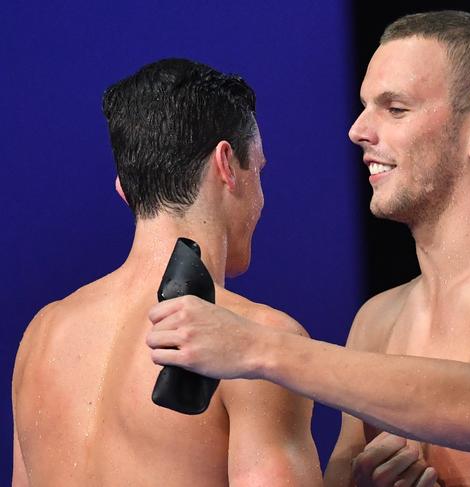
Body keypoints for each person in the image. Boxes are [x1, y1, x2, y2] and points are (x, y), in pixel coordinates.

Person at [145, 11, 470, 487]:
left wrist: (259, 348)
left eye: (394, 109)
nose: (358, 130)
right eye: (364, 106)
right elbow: (340, 475)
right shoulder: (378, 320)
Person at [11, 58, 322, 486]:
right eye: (260, 171)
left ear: (125, 188)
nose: (262, 197)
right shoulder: (257, 344)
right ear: (227, 164)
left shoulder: (42, 334)